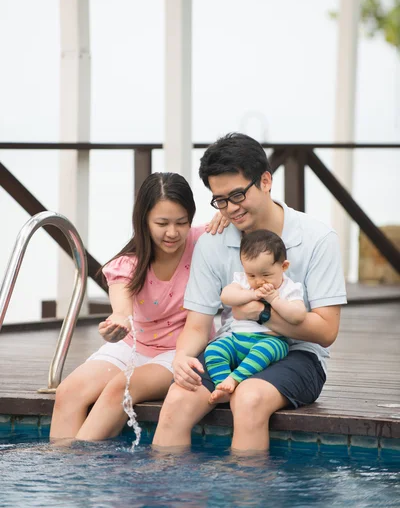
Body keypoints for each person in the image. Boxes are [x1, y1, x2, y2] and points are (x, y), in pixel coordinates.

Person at [152, 133, 346, 452]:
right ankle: (173, 497)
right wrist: (182, 358)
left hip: (300, 354)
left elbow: (326, 332)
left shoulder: (317, 238)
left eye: (238, 195)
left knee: (249, 398)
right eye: (221, 200)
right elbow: (197, 325)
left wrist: (262, 314)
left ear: (266, 181)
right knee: (176, 400)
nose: (231, 209)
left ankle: (246, 496)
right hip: (232, 345)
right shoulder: (213, 242)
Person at [50, 172, 226, 441]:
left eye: (182, 222)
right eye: (162, 223)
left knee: (120, 387)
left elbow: (253, 217)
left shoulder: (205, 239)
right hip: (133, 345)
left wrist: (228, 214)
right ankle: (62, 471)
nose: (172, 232)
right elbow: (121, 310)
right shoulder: (128, 264)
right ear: (144, 221)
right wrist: (117, 324)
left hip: (179, 351)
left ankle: (80, 470)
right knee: (68, 391)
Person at [205, 229, 306, 405]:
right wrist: (251, 295)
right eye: (251, 275)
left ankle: (234, 379)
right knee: (213, 350)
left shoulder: (289, 288)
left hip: (271, 341)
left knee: (265, 350)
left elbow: (298, 316)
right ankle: (222, 385)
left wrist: (274, 299)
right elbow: (226, 296)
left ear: (284, 266)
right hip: (236, 340)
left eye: (266, 275)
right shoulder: (244, 282)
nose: (258, 281)